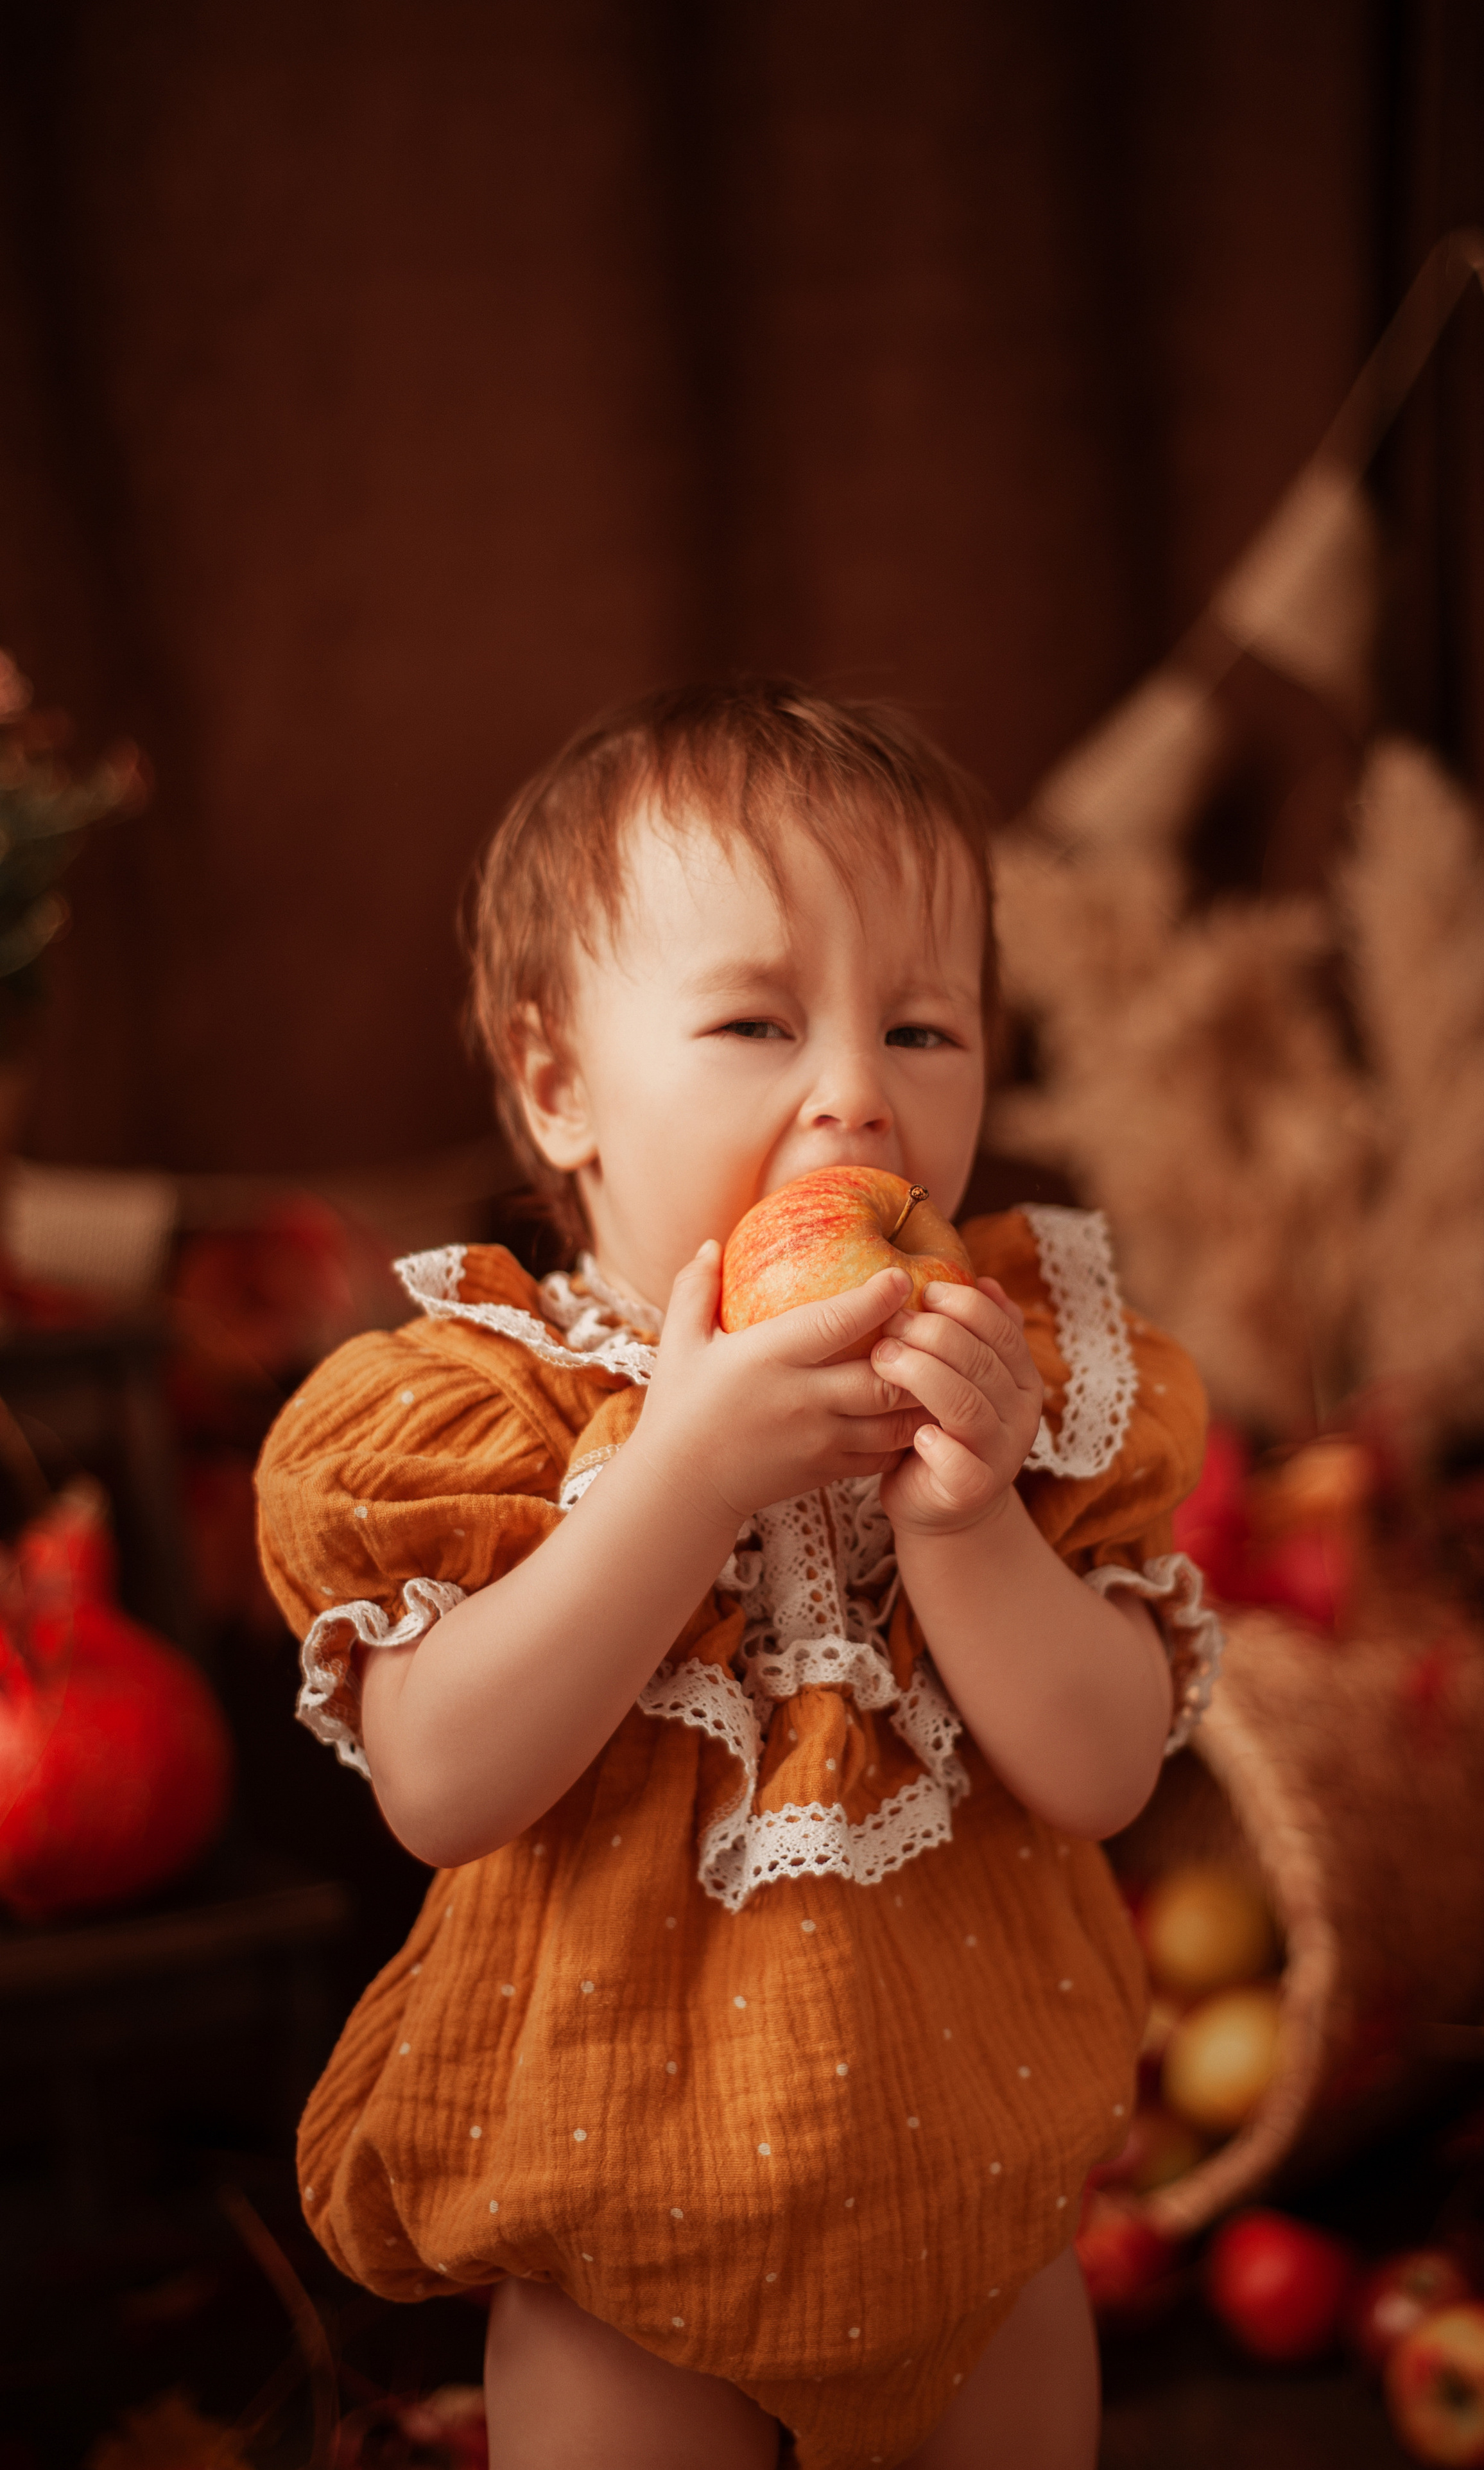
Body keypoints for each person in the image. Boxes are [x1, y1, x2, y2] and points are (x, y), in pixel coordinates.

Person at [255, 679, 1221, 2470]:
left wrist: (968, 1523)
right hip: (625, 2230)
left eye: (926, 1031)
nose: (858, 1094)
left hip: (978, 2215)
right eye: (760, 1024)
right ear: (559, 1086)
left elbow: (1100, 1772)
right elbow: (443, 1785)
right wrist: (678, 1480)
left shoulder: (1037, 1382)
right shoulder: (481, 1416)